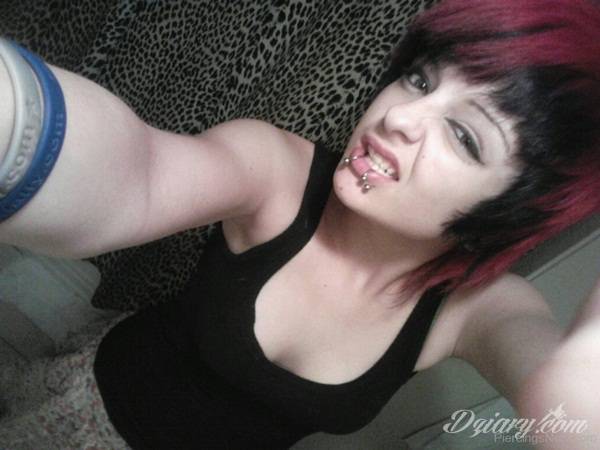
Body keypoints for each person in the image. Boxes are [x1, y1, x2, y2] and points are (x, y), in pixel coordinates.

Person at [0, 0, 599, 448]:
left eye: (465, 136)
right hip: (82, 414)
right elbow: (138, 178)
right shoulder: (275, 171)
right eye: (420, 79)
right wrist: (17, 117)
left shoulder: (480, 308)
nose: (401, 116)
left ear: (515, 209)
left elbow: (570, 408)